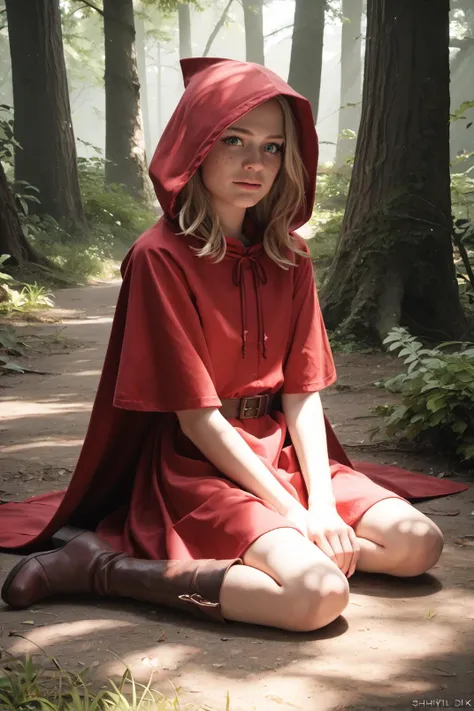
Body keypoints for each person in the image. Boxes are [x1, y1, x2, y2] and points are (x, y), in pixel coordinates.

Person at [0, 58, 464, 633]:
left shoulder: (289, 254)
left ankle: (287, 553)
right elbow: (197, 421)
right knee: (314, 598)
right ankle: (101, 568)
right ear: (196, 146)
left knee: (418, 544)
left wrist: (318, 505)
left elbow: (301, 395)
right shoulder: (159, 258)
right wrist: (291, 516)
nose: (254, 162)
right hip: (199, 467)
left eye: (272, 148)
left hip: (284, 452)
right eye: (233, 140)